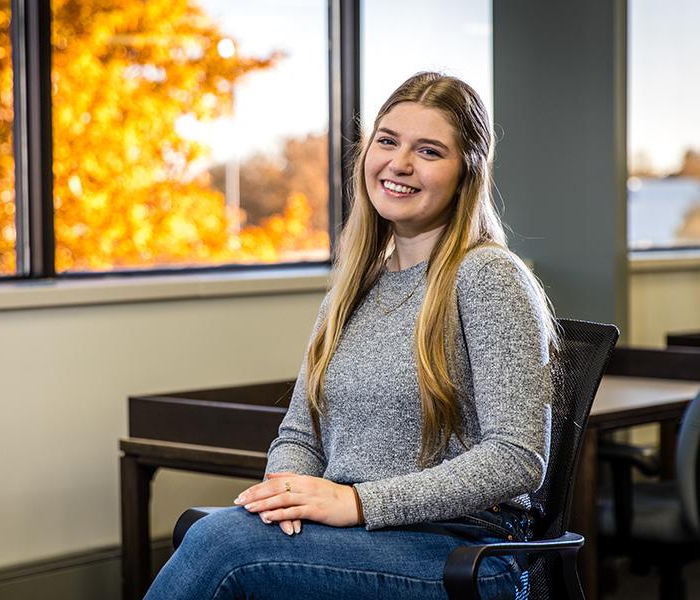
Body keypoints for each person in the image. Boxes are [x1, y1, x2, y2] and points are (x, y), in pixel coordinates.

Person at [144, 71, 558, 600]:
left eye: (429, 151)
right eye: (387, 141)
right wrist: (287, 497)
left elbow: (516, 457)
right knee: (222, 536)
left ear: (467, 173)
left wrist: (360, 503)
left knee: (222, 548)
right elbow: (299, 433)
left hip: (463, 551)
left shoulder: (488, 277)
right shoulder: (355, 287)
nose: (399, 164)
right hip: (355, 537)